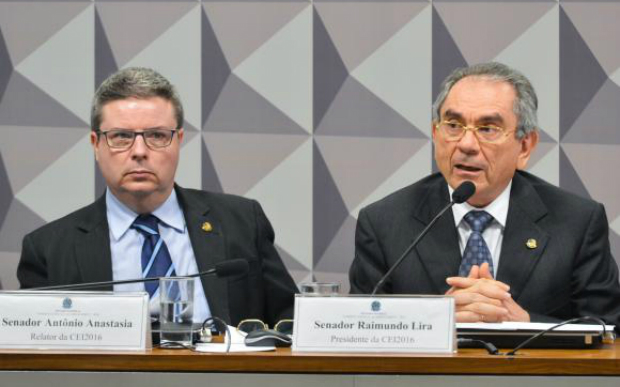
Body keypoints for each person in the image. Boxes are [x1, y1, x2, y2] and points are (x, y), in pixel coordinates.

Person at [17, 67, 298, 326]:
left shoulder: (242, 224)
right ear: (96, 145)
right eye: (122, 136)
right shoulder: (49, 250)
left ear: (178, 141)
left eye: (157, 135)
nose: (139, 151)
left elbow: (290, 325)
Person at [349, 62, 620, 325]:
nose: (466, 144)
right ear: (435, 132)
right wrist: (437, 320)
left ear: (525, 146)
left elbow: (609, 329)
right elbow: (360, 326)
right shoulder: (384, 223)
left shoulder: (577, 222)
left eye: (488, 129)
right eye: (453, 125)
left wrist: (522, 322)